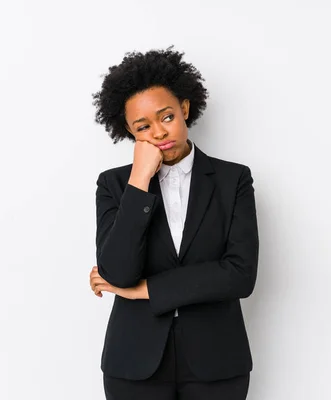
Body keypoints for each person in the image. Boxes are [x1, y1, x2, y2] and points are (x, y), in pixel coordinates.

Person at [88, 46, 259, 400]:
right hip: (134, 363)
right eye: (142, 127)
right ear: (129, 133)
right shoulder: (115, 185)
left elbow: (240, 274)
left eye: (166, 117)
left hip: (218, 364)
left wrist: (146, 290)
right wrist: (139, 179)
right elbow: (117, 273)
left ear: (184, 107)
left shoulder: (233, 180)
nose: (158, 132)